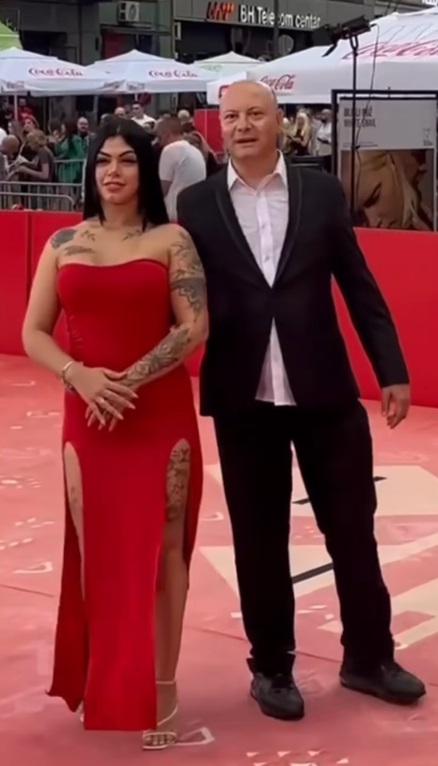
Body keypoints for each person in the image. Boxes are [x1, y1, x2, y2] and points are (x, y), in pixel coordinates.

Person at [177, 81, 425, 722]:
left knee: (353, 531)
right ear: (220, 126)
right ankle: (271, 668)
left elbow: (358, 284)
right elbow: (179, 297)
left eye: (255, 114)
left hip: (325, 392)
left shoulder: (321, 192)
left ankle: (369, 658)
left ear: (279, 122)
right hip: (243, 397)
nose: (242, 126)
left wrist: (391, 369)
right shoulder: (196, 204)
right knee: (259, 541)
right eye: (232, 116)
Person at [21, 118, 208, 749]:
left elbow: (194, 326)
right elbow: (33, 332)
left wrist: (130, 379)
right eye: (103, 160)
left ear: (146, 169)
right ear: (89, 169)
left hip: (158, 413)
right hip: (88, 417)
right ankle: (107, 680)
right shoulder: (62, 243)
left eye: (127, 160)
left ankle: (163, 687)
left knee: (166, 548)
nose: (113, 171)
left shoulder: (171, 239)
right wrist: (80, 377)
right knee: (96, 549)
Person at [157, 116, 207, 221]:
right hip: (195, 212)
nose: (159, 142)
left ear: (167, 134)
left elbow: (163, 188)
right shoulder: (195, 151)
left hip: (175, 215)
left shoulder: (170, 150)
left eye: (159, 137)